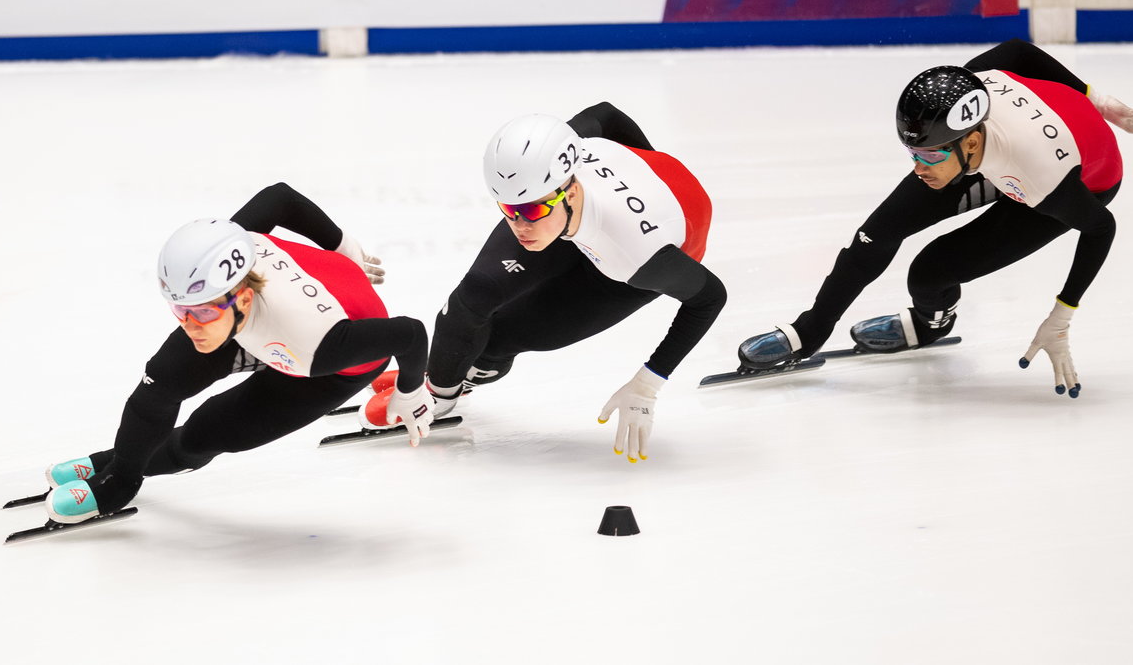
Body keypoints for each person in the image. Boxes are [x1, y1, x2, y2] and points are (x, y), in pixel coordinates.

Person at [737, 39, 1133, 398]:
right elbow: (1018, 52)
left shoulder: (1040, 178)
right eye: (913, 154)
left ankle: (929, 325)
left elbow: (1101, 226)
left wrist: (1062, 314)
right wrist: (1097, 99)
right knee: (875, 234)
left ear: (971, 140)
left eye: (928, 156)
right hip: (1001, 152)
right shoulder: (970, 88)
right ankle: (808, 331)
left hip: (1077, 178)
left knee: (928, 275)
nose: (919, 167)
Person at [44, 183, 435, 524]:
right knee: (161, 381)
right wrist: (341, 244)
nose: (189, 325)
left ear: (243, 297)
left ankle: (128, 461)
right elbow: (279, 198)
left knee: (206, 431)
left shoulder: (319, 344)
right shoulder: (231, 250)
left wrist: (411, 390)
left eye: (200, 312)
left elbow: (411, 333)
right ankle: (120, 473)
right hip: (256, 325)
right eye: (179, 309)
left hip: (326, 365)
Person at [398, 102, 724, 462]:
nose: (520, 225)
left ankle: (475, 371)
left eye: (532, 211)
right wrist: (643, 160)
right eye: (508, 209)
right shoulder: (554, 161)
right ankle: (440, 397)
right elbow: (606, 114)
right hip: (580, 216)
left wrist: (649, 383)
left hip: (629, 253)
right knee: (473, 298)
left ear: (568, 191)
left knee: (507, 337)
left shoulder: (639, 255)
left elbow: (710, 298)